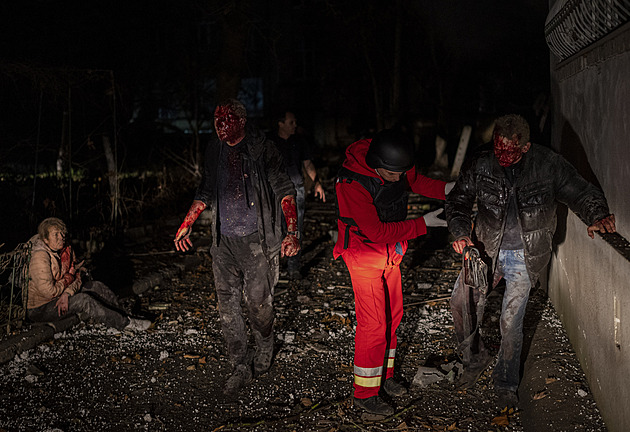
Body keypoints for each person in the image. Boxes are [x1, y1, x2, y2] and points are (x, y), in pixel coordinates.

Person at [445, 114, 616, 409]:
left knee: (510, 321)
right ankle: (475, 358)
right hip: (485, 249)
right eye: (497, 149)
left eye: (508, 151)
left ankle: (506, 383)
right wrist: (461, 233)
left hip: (525, 256)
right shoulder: (481, 163)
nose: (501, 156)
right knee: (461, 302)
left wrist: (597, 214)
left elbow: (581, 192)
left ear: (525, 147)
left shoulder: (548, 164)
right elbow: (458, 200)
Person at [173, 98, 300, 397]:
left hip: (258, 240)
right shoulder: (214, 149)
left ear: (241, 121)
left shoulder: (262, 148)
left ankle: (265, 344)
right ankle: (240, 364)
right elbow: (205, 189)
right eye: (216, 118)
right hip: (224, 243)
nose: (220, 124)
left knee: (259, 306)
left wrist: (292, 232)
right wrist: (187, 222)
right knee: (227, 308)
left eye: (226, 118)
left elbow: (284, 189)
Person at [333, 129, 453, 415]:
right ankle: (364, 396)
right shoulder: (351, 183)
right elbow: (375, 231)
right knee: (373, 324)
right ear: (376, 164)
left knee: (392, 317)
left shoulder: (394, 164)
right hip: (363, 254)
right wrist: (423, 224)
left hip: (390, 254)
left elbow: (415, 180)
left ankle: (383, 378)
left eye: (401, 172)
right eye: (392, 174)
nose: (399, 179)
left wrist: (448, 190)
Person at [27, 217, 151, 332]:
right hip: (42, 308)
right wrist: (67, 281)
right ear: (45, 239)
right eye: (56, 234)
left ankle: (125, 315)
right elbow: (50, 292)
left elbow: (77, 276)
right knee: (83, 300)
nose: (61, 237)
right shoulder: (40, 256)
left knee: (96, 286)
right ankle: (123, 324)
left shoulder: (66, 249)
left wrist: (67, 293)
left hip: (61, 296)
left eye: (62, 233)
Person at [268, 110, 326, 280]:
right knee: (274, 227)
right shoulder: (270, 141)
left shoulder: (299, 141)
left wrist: (316, 182)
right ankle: (275, 268)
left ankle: (293, 267)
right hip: (274, 191)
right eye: (291, 122)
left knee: (295, 228)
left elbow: (308, 163)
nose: (294, 126)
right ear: (281, 124)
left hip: (295, 189)